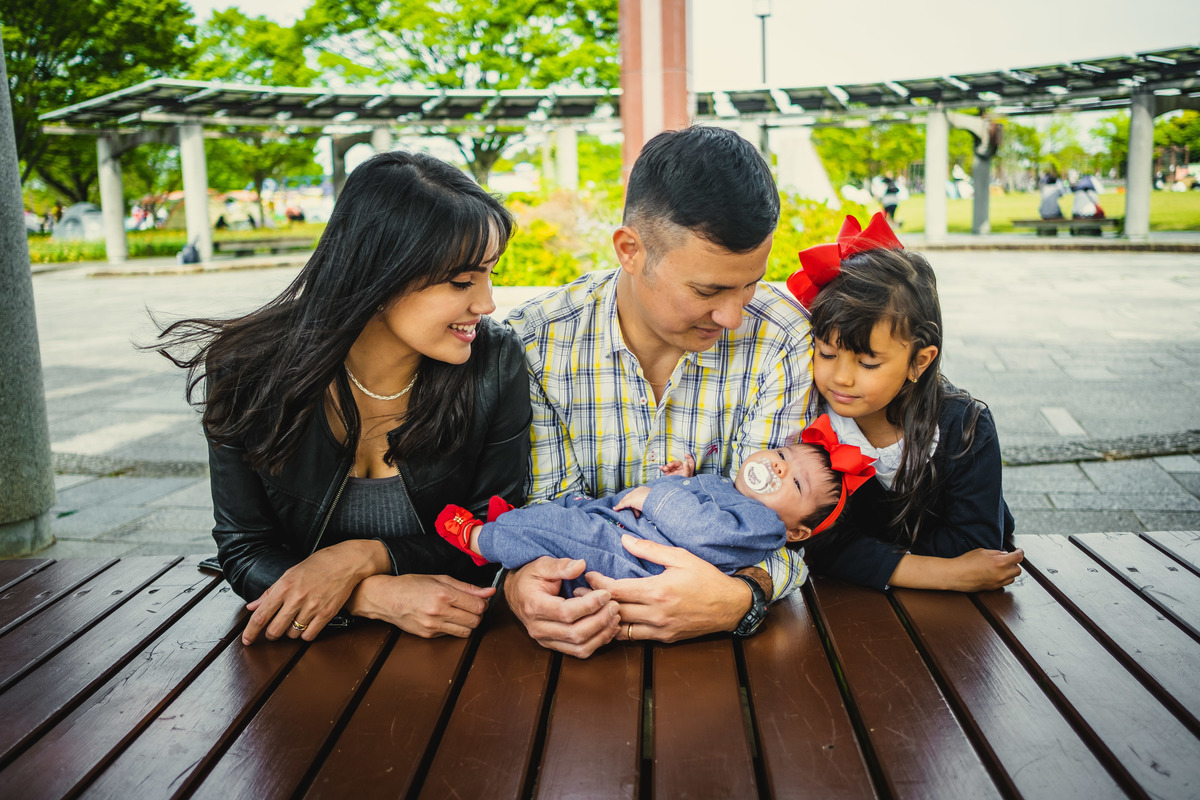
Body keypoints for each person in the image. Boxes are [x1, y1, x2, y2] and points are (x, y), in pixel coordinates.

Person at [150, 151, 531, 645]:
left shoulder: (494, 359)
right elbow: (244, 549)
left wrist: (362, 556)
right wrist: (372, 597)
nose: (486, 303)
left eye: (489, 274)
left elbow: (492, 535)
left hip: (450, 652)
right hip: (300, 657)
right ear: (381, 275)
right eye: (462, 281)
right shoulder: (247, 368)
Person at [503, 126, 814, 657]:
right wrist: (521, 583)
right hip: (576, 661)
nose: (734, 316)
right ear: (630, 250)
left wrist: (742, 599)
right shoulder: (535, 345)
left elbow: (777, 526)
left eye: (750, 284)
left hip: (727, 658)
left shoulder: (782, 340)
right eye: (708, 290)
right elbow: (544, 512)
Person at [786, 212, 1024, 592]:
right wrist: (943, 572)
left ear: (919, 361)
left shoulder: (964, 427)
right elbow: (818, 542)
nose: (841, 377)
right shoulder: (811, 420)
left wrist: (867, 556)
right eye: (827, 354)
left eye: (867, 362)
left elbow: (977, 546)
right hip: (853, 607)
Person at [435, 416, 874, 595]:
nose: (777, 469)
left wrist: (656, 495)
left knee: (564, 533)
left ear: (796, 532)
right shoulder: (731, 489)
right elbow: (701, 511)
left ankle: (482, 536)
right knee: (572, 514)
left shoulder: (764, 526)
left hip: (632, 561)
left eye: (794, 482)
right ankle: (514, 523)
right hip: (626, 532)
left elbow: (706, 533)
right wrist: (681, 481)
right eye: (781, 457)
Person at [1037, 169, 1067, 236]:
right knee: (1058, 212)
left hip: (1043, 213)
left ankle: (1051, 232)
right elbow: (1062, 195)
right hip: (1053, 213)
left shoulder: (1044, 189)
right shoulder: (1056, 189)